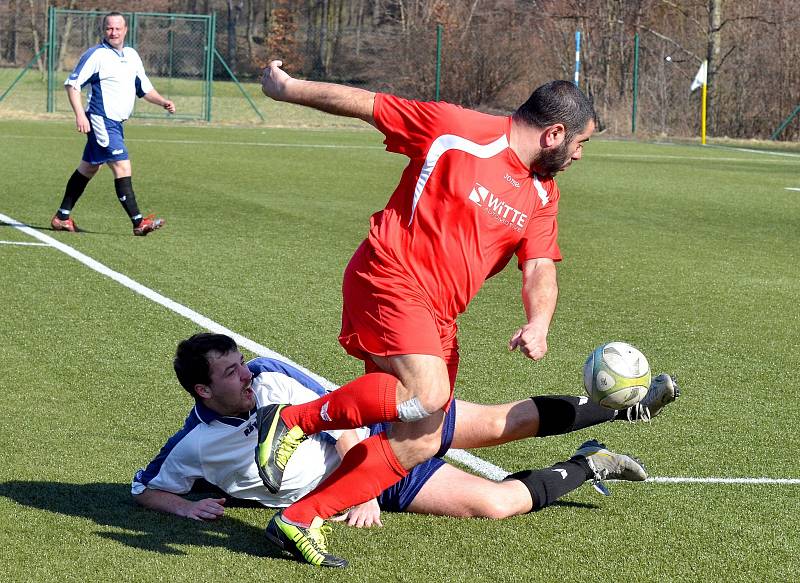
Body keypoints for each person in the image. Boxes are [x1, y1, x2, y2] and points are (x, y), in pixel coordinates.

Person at [254, 61, 602, 566]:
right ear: (554, 134)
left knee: (420, 441)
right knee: (429, 392)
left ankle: (300, 518)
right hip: (390, 275)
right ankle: (291, 420)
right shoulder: (457, 131)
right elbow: (369, 105)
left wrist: (540, 321)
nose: (579, 156)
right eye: (581, 143)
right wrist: (287, 89)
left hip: (439, 315)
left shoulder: (543, 192)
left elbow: (540, 268)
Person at [133, 334, 678, 567]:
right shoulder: (194, 443)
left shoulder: (270, 378)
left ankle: (628, 406)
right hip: (349, 486)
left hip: (379, 452)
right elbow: (145, 488)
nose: (246, 374)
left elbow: (347, 412)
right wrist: (184, 506)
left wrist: (358, 487)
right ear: (203, 392)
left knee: (496, 422)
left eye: (241, 362)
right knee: (495, 504)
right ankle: (589, 462)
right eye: (230, 372)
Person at [51, 11, 174, 237]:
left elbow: (144, 89)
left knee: (89, 168)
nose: (114, 32)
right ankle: (138, 222)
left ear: (126, 30)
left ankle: (61, 217)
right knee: (122, 166)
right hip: (101, 119)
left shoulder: (131, 55)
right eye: (109, 28)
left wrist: (162, 101)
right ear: (103, 30)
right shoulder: (96, 55)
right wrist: (80, 114)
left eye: (118, 28)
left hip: (117, 123)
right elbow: (72, 85)